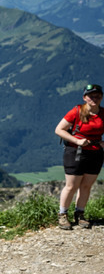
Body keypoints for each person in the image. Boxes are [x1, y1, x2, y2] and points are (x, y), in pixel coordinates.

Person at [54, 83, 104, 230]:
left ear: (101, 97)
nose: (94, 98)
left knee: (86, 185)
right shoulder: (76, 111)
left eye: (97, 96)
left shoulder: (103, 113)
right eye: (91, 96)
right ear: (84, 97)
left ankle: (80, 214)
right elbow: (59, 129)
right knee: (72, 185)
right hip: (75, 152)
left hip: (95, 152)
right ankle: (63, 215)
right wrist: (77, 140)